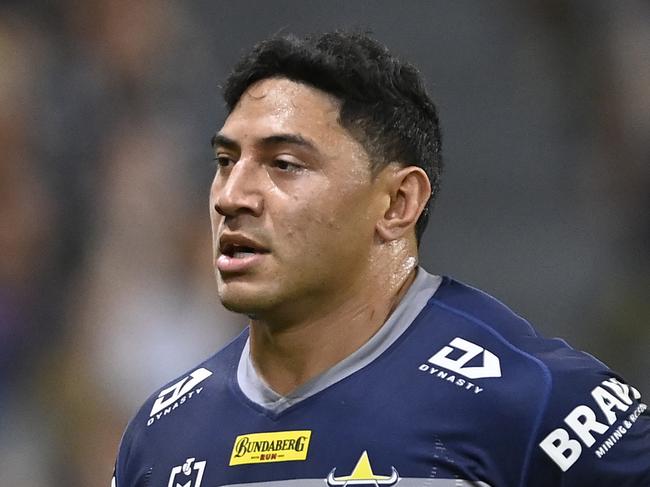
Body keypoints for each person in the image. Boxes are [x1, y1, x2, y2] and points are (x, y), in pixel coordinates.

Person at [112, 31, 649, 487]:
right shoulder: (159, 436)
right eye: (226, 161)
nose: (231, 196)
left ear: (398, 203)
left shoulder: (538, 402)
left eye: (284, 164)